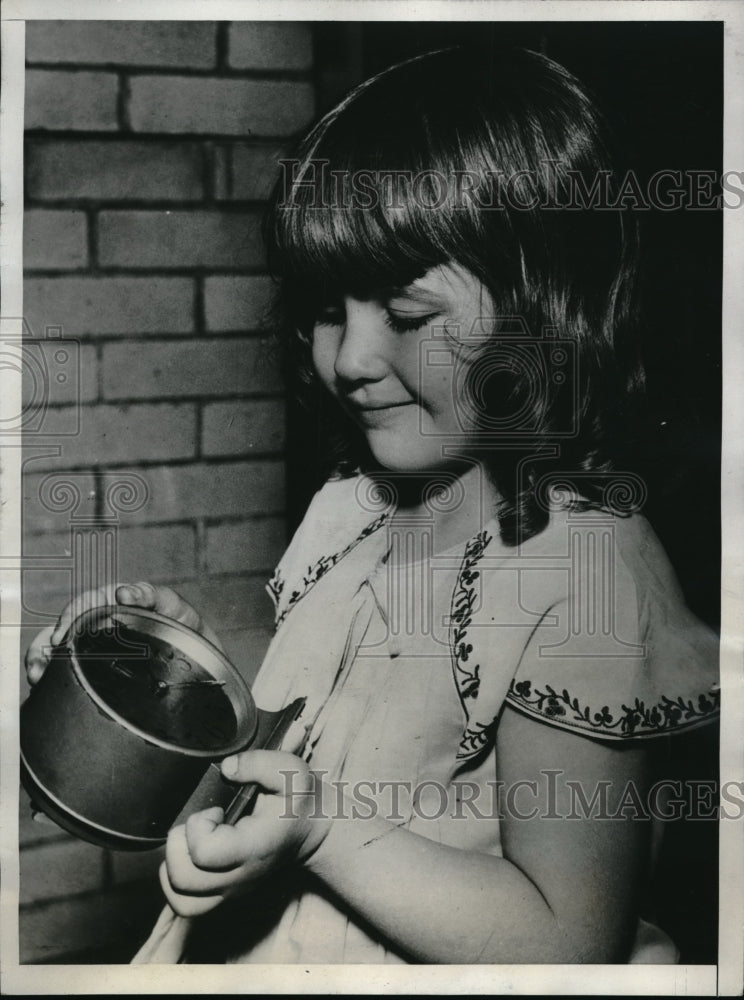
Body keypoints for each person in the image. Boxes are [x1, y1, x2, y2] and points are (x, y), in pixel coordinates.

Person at [25, 46, 719, 965]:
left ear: (542, 304)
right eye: (324, 309)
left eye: (406, 314)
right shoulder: (353, 512)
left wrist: (322, 836)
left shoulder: (582, 568)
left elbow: (571, 941)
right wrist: (175, 697)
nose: (349, 359)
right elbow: (299, 775)